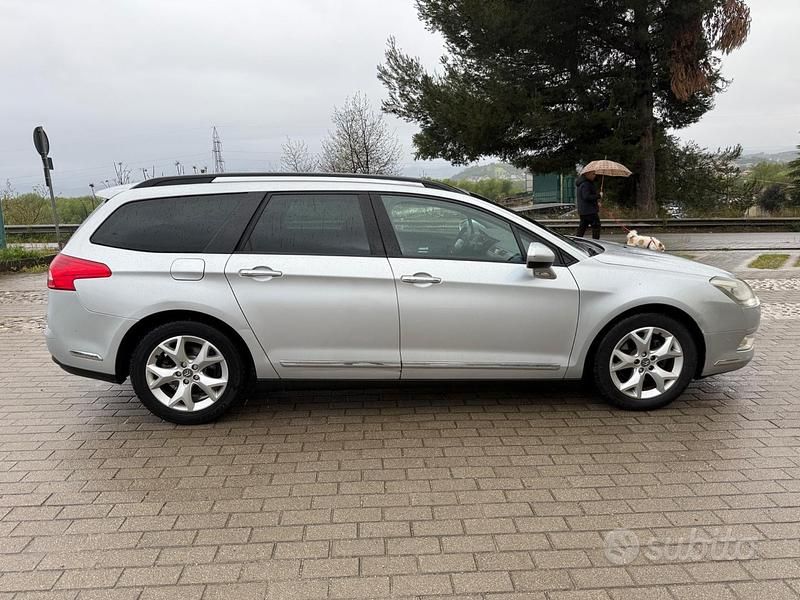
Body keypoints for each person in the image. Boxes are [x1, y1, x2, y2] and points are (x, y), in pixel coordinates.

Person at [575, 171, 602, 240]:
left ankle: (577, 241)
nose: (594, 175)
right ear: (587, 174)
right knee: (596, 226)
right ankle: (596, 241)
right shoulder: (586, 184)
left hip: (584, 210)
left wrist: (596, 202)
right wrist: (598, 196)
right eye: (593, 174)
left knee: (582, 227)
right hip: (590, 210)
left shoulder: (581, 183)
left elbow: (585, 197)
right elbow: (586, 197)